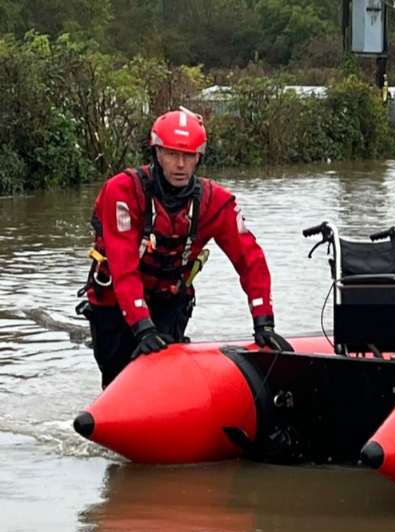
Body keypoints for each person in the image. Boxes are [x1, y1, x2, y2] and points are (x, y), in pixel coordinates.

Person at [78, 109, 292, 388]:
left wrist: (263, 321)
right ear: (156, 152)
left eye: (189, 156)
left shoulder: (215, 202)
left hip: (169, 300)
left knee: (161, 381)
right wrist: (143, 327)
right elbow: (122, 266)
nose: (180, 164)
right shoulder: (123, 191)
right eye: (171, 154)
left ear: (199, 157)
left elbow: (250, 259)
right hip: (114, 301)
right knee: (118, 379)